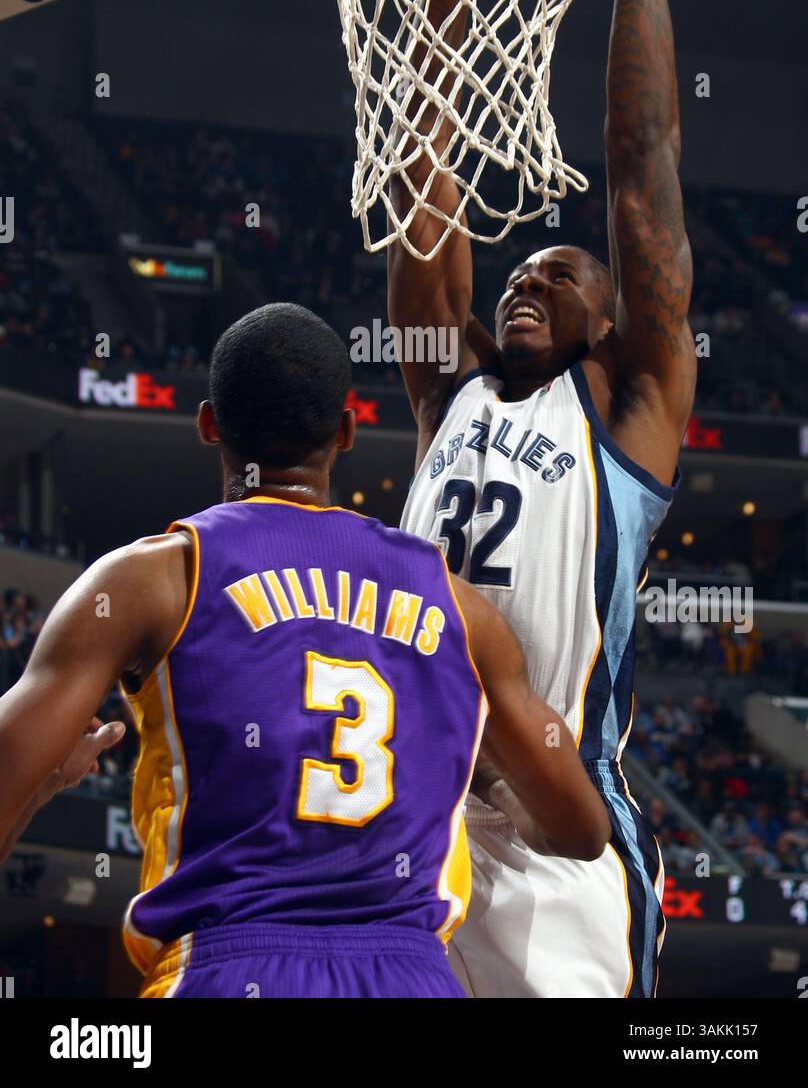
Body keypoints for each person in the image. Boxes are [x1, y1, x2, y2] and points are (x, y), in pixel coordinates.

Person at [0, 303, 608, 999]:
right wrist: (482, 774)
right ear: (346, 431)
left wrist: (41, 784)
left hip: (230, 966)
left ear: (208, 425)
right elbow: (581, 829)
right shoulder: (457, 604)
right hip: (412, 977)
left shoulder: (149, 580)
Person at [390, 0, 696, 997]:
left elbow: (642, 164)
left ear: (616, 318)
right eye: (515, 269)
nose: (524, 277)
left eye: (558, 273)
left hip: (565, 860)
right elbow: (425, 174)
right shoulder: (446, 391)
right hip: (425, 836)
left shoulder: (628, 410)